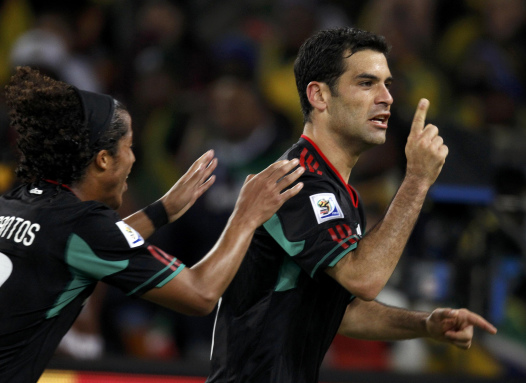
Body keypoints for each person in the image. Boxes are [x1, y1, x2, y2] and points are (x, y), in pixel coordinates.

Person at [206, 27, 498, 383]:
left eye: (388, 84)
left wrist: (424, 324)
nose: (387, 97)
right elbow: (363, 278)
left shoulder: (337, 191)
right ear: (319, 96)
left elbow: (346, 311)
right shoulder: (295, 182)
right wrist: (417, 180)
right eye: (366, 83)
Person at [0, 66, 304, 383]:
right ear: (103, 159)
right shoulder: (83, 223)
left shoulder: (17, 202)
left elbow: (97, 242)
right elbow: (200, 295)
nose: (133, 159)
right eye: (128, 147)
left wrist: (162, 211)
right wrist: (246, 215)